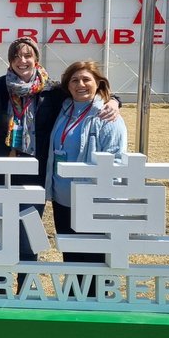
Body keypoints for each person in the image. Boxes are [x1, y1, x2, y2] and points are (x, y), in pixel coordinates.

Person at [0, 37, 119, 273]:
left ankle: (25, 288)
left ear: (36, 59)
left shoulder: (53, 91)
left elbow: (85, 93)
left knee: (28, 235)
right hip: (1, 172)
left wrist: (115, 101)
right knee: (0, 233)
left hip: (35, 174)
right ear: (10, 60)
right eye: (16, 56)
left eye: (27, 56)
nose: (22, 61)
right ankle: (1, 289)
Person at [45, 61, 127, 267]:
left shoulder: (108, 116)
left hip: (93, 203)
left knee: (94, 263)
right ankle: (74, 298)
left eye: (86, 79)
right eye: (74, 80)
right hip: (63, 201)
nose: (80, 84)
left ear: (98, 83)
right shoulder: (64, 110)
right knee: (72, 259)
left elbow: (116, 163)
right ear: (67, 85)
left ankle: (93, 298)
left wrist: (115, 101)